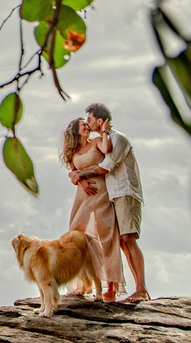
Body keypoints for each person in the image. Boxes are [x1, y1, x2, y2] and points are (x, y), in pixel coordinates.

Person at [70, 102, 149, 303]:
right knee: (123, 242)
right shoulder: (104, 140)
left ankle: (141, 289)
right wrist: (76, 174)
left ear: (100, 120)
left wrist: (80, 174)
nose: (87, 123)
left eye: (89, 119)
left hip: (125, 193)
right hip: (114, 195)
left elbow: (106, 167)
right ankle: (134, 289)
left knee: (128, 239)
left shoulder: (118, 139)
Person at [60, 117, 126, 301]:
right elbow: (73, 171)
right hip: (82, 195)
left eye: (88, 125)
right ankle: (84, 282)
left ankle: (110, 286)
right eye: (84, 125)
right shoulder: (72, 152)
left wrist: (104, 130)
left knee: (105, 234)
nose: (87, 127)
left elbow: (107, 150)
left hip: (100, 190)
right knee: (75, 233)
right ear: (75, 130)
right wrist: (77, 179)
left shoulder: (96, 142)